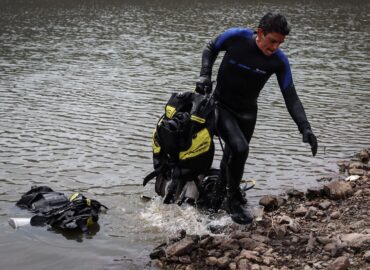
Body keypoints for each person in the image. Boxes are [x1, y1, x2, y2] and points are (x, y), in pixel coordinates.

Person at [195, 12, 318, 224]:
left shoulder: (279, 61)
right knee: (240, 148)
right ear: (260, 33)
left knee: (233, 157)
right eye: (272, 41)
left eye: (280, 43)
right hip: (220, 105)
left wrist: (305, 127)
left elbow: (291, 96)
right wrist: (205, 74)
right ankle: (233, 201)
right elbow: (210, 47)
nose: (275, 48)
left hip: (247, 114)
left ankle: (215, 203)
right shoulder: (236, 37)